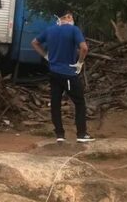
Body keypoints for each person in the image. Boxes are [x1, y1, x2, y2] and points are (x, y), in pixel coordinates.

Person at [31, 9, 95, 143]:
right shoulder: (74, 30)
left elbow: (34, 43)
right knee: (79, 102)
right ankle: (81, 134)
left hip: (54, 72)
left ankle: (59, 134)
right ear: (69, 16)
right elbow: (84, 48)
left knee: (55, 103)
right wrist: (80, 63)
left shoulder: (50, 30)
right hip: (69, 73)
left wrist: (45, 55)